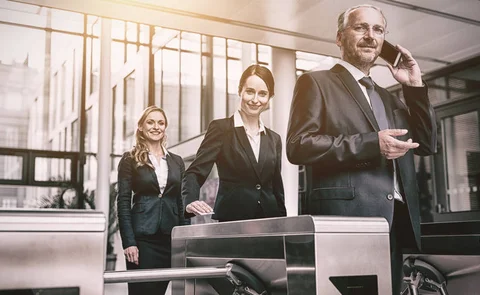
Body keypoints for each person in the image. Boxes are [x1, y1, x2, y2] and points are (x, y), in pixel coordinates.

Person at [285, 4, 437, 294]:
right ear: (340, 38)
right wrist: (371, 144)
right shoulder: (315, 82)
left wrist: (415, 86)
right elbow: (298, 146)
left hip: (392, 227)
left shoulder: (388, 98)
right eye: (361, 28)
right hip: (346, 224)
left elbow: (427, 144)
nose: (370, 35)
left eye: (378, 29)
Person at [182, 64, 287, 222]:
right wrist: (190, 200)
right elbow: (194, 173)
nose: (255, 100)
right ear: (240, 91)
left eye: (262, 94)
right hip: (233, 220)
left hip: (269, 221)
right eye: (250, 92)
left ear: (270, 97)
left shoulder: (274, 138)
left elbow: (276, 187)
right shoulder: (221, 129)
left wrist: (282, 222)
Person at [117, 105, 188, 295]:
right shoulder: (129, 159)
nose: (156, 127)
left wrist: (185, 237)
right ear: (140, 126)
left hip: (170, 238)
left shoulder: (177, 161)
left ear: (165, 127)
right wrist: (129, 242)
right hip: (142, 240)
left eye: (161, 123)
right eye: (150, 122)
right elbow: (123, 202)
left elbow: (181, 201)